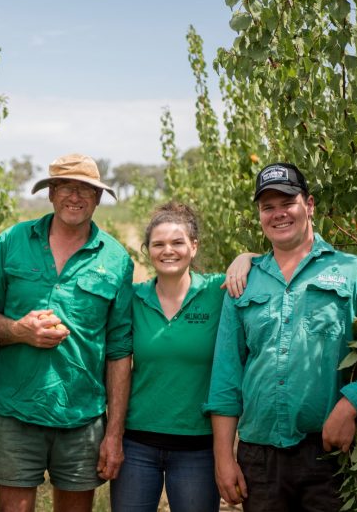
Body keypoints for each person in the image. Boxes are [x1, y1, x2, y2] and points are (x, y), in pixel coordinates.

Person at [204, 162, 357, 511]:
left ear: (309, 205)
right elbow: (226, 375)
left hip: (329, 453)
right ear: (259, 215)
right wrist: (224, 458)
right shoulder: (243, 282)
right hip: (259, 458)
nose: (278, 214)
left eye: (287, 202)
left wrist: (352, 404)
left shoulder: (356, 273)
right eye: (268, 207)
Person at [0, 153, 133, 512]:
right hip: (16, 410)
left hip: (82, 417)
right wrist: (19, 330)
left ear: (97, 198)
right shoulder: (12, 242)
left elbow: (119, 351)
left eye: (86, 189)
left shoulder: (116, 259)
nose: (75, 197)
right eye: (66, 187)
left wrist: (113, 433)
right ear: (51, 193)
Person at [109, 202, 254, 512]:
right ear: (147, 250)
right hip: (137, 444)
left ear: (194, 246)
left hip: (198, 447)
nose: (168, 250)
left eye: (177, 242)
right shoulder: (134, 298)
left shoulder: (218, 291)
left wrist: (245, 257)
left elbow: (269, 264)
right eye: (158, 244)